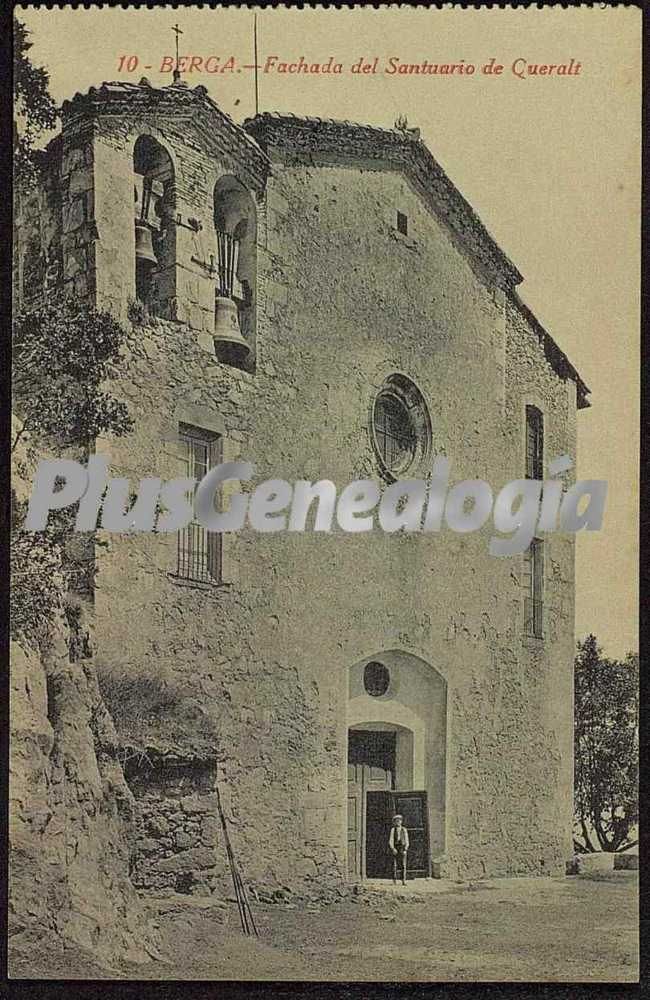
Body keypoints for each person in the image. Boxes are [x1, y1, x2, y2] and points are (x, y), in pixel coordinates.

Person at [389, 813, 409, 884]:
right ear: (394, 822)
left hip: (402, 848)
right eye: (396, 821)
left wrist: (405, 849)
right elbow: (391, 840)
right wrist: (393, 848)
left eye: (399, 820)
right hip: (395, 847)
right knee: (394, 864)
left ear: (401, 821)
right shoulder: (393, 830)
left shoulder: (404, 830)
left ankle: (403, 880)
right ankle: (394, 880)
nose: (398, 822)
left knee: (403, 864)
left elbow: (407, 840)